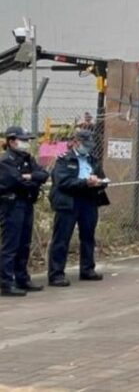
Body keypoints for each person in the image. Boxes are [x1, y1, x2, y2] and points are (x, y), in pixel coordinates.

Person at [47, 129, 109, 286]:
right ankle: (56, 274)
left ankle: (87, 269)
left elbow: (102, 177)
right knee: (62, 238)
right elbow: (63, 182)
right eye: (85, 144)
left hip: (89, 200)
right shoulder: (64, 160)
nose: (87, 148)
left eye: (90, 145)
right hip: (69, 201)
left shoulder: (93, 160)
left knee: (88, 236)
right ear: (75, 142)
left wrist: (100, 182)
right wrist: (85, 182)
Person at [0, 126, 49, 296]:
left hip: (27, 203)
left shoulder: (27, 158)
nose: (26, 143)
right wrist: (31, 179)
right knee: (11, 245)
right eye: (23, 140)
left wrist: (30, 177)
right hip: (12, 205)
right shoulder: (6, 161)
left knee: (24, 244)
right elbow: (17, 182)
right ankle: (6, 282)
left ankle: (22, 278)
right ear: (12, 141)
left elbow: (43, 175)